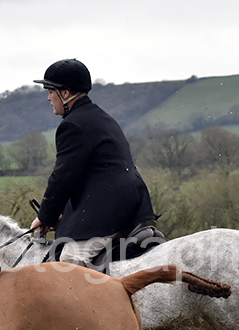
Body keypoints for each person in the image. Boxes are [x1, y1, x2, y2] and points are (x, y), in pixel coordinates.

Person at [28, 59, 158, 268]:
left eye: (51, 91)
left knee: (68, 262)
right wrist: (62, 215)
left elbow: (63, 178)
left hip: (110, 208)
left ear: (65, 93)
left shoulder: (72, 125)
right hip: (128, 201)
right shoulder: (100, 117)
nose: (48, 98)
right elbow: (88, 176)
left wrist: (45, 216)